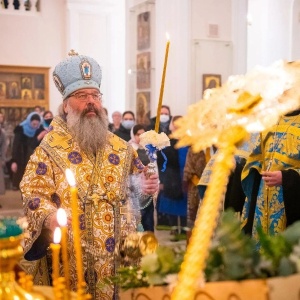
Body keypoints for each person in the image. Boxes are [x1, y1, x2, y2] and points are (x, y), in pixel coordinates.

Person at [20, 52, 159, 299]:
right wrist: (51, 217)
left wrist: (146, 188)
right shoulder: (48, 149)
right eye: (82, 96)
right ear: (66, 104)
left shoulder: (121, 147)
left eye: (95, 95)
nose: (91, 102)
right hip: (71, 256)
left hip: (120, 256)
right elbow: (33, 193)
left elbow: (137, 195)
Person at [241, 109, 300, 244]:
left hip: (291, 204)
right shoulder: (270, 120)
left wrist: (287, 178)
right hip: (262, 203)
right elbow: (256, 159)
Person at [156, 116, 188, 231]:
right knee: (172, 204)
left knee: (185, 205)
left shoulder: (189, 140)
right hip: (171, 177)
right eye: (176, 124)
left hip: (185, 176)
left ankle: (184, 229)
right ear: (172, 125)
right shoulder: (166, 141)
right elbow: (161, 162)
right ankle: (174, 229)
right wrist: (162, 180)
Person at [129, 124, 154, 231]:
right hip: (132, 189)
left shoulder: (150, 149)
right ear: (133, 135)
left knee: (148, 220)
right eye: (138, 134)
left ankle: (149, 245)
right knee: (134, 221)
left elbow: (155, 167)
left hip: (147, 189)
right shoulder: (127, 148)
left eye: (143, 134)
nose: (141, 136)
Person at [9, 112, 41, 190]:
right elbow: (15, 147)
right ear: (29, 122)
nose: (35, 126)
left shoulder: (38, 131)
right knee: (21, 184)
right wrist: (14, 161)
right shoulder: (20, 130)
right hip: (21, 160)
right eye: (34, 124)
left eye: (37, 124)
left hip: (33, 161)